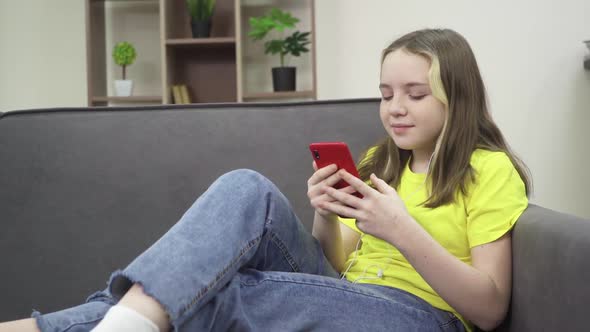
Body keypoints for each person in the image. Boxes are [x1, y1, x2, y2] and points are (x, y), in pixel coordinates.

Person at [0, 28, 531, 332]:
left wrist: (403, 229)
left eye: (414, 94)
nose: (395, 108)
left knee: (219, 290)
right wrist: (326, 213)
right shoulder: (381, 159)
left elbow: (488, 309)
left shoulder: (486, 169)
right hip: (350, 296)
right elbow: (342, 262)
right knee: (246, 186)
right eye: (386, 93)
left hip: (421, 318)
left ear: (455, 97)